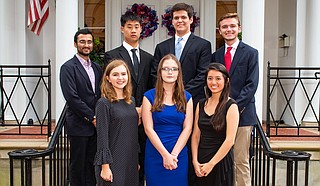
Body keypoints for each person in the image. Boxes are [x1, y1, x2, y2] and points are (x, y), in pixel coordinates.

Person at [152, 4, 212, 185]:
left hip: (190, 102)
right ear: (171, 21)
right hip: (165, 104)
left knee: (190, 144)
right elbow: (155, 73)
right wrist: (168, 94)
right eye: (176, 18)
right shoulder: (162, 46)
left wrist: (181, 94)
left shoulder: (203, 45)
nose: (180, 21)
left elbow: (203, 75)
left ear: (191, 20)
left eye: (183, 17)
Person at [104, 12, 153, 185]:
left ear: (141, 29)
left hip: (144, 116)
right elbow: (109, 86)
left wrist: (143, 109)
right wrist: (132, 109)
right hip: (122, 116)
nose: (133, 30)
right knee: (121, 159)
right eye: (129, 26)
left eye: (137, 27)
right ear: (122, 28)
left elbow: (151, 85)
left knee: (139, 160)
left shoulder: (149, 58)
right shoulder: (112, 55)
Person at [212, 13, 259, 186]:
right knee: (221, 160)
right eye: (225, 27)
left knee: (241, 161)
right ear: (219, 31)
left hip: (243, 116)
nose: (229, 30)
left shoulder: (251, 53)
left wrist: (233, 109)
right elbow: (213, 85)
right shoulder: (215, 55)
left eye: (232, 26)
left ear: (239, 29)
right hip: (219, 117)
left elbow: (251, 85)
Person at [142, 54, 193, 186]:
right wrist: (165, 155)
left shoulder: (187, 97)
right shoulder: (149, 96)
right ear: (160, 72)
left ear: (178, 73)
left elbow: (188, 128)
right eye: (166, 69)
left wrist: (173, 155)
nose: (170, 72)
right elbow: (148, 128)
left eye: (174, 69)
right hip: (156, 152)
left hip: (178, 154)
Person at [60, 28, 103, 186]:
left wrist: (99, 117)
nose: (86, 45)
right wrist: (91, 117)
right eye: (82, 42)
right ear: (75, 44)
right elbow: (72, 97)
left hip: (96, 126)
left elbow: (100, 94)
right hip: (79, 124)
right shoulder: (68, 68)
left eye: (89, 42)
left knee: (92, 164)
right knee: (78, 166)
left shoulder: (97, 67)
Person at [191, 63, 239, 186]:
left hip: (220, 162)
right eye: (210, 78)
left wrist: (211, 164)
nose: (213, 82)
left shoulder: (231, 106)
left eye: (218, 78)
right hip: (201, 160)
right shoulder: (201, 104)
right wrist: (195, 161)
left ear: (226, 81)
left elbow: (230, 140)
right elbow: (196, 135)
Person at [94, 59, 139, 186]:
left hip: (130, 160)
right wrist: (105, 166)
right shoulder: (103, 103)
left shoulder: (131, 101)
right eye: (115, 74)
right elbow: (102, 137)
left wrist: (135, 160)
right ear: (108, 78)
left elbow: (132, 133)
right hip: (112, 161)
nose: (120, 78)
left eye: (123, 74)